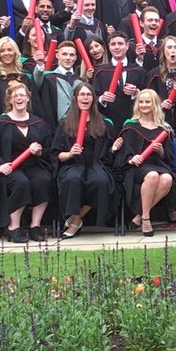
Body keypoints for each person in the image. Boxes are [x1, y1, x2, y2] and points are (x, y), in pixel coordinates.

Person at [0, 82, 54, 243]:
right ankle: (13, 227)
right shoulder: (1, 123)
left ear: (28, 98)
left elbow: (48, 150)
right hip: (10, 168)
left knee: (44, 180)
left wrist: (39, 151)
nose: (19, 98)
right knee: (21, 183)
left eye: (22, 95)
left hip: (34, 165)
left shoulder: (37, 123)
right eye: (15, 96)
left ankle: (35, 226)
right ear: (9, 100)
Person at [52, 84, 116, 237]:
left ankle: (75, 220)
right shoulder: (65, 123)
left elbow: (109, 150)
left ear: (93, 99)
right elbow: (56, 154)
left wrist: (113, 149)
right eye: (82, 94)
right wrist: (69, 153)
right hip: (73, 164)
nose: (85, 98)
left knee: (101, 181)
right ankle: (75, 220)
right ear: (75, 98)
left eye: (88, 94)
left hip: (96, 164)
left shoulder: (104, 122)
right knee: (72, 179)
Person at [117, 89, 176, 236]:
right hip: (137, 168)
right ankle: (146, 219)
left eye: (147, 102)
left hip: (159, 165)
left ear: (154, 104)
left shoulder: (164, 128)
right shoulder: (131, 125)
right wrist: (131, 159)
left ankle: (140, 215)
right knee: (152, 176)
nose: (144, 105)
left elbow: (169, 158)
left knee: (167, 179)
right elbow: (123, 153)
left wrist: (161, 151)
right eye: (141, 102)